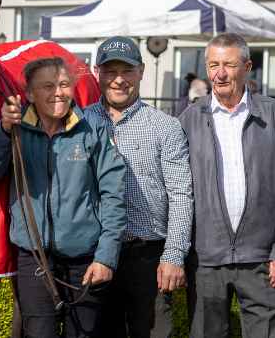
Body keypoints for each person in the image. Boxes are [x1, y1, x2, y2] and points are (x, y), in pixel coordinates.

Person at [0, 57, 126, 337]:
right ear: (30, 94)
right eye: (48, 85)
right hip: (34, 258)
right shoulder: (17, 127)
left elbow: (114, 195)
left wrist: (105, 257)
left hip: (85, 259)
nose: (58, 92)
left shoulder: (93, 129)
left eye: (64, 84)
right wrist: (3, 131)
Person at [179, 33, 275, 338]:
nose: (220, 73)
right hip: (206, 259)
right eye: (213, 64)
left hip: (263, 258)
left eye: (229, 64)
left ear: (248, 66)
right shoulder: (188, 119)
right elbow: (177, 194)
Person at [86, 37, 193, 338]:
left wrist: (173, 255)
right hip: (95, 254)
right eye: (110, 71)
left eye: (127, 70)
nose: (119, 80)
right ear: (97, 72)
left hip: (148, 256)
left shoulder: (166, 126)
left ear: (142, 71)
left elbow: (181, 194)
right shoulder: (79, 122)